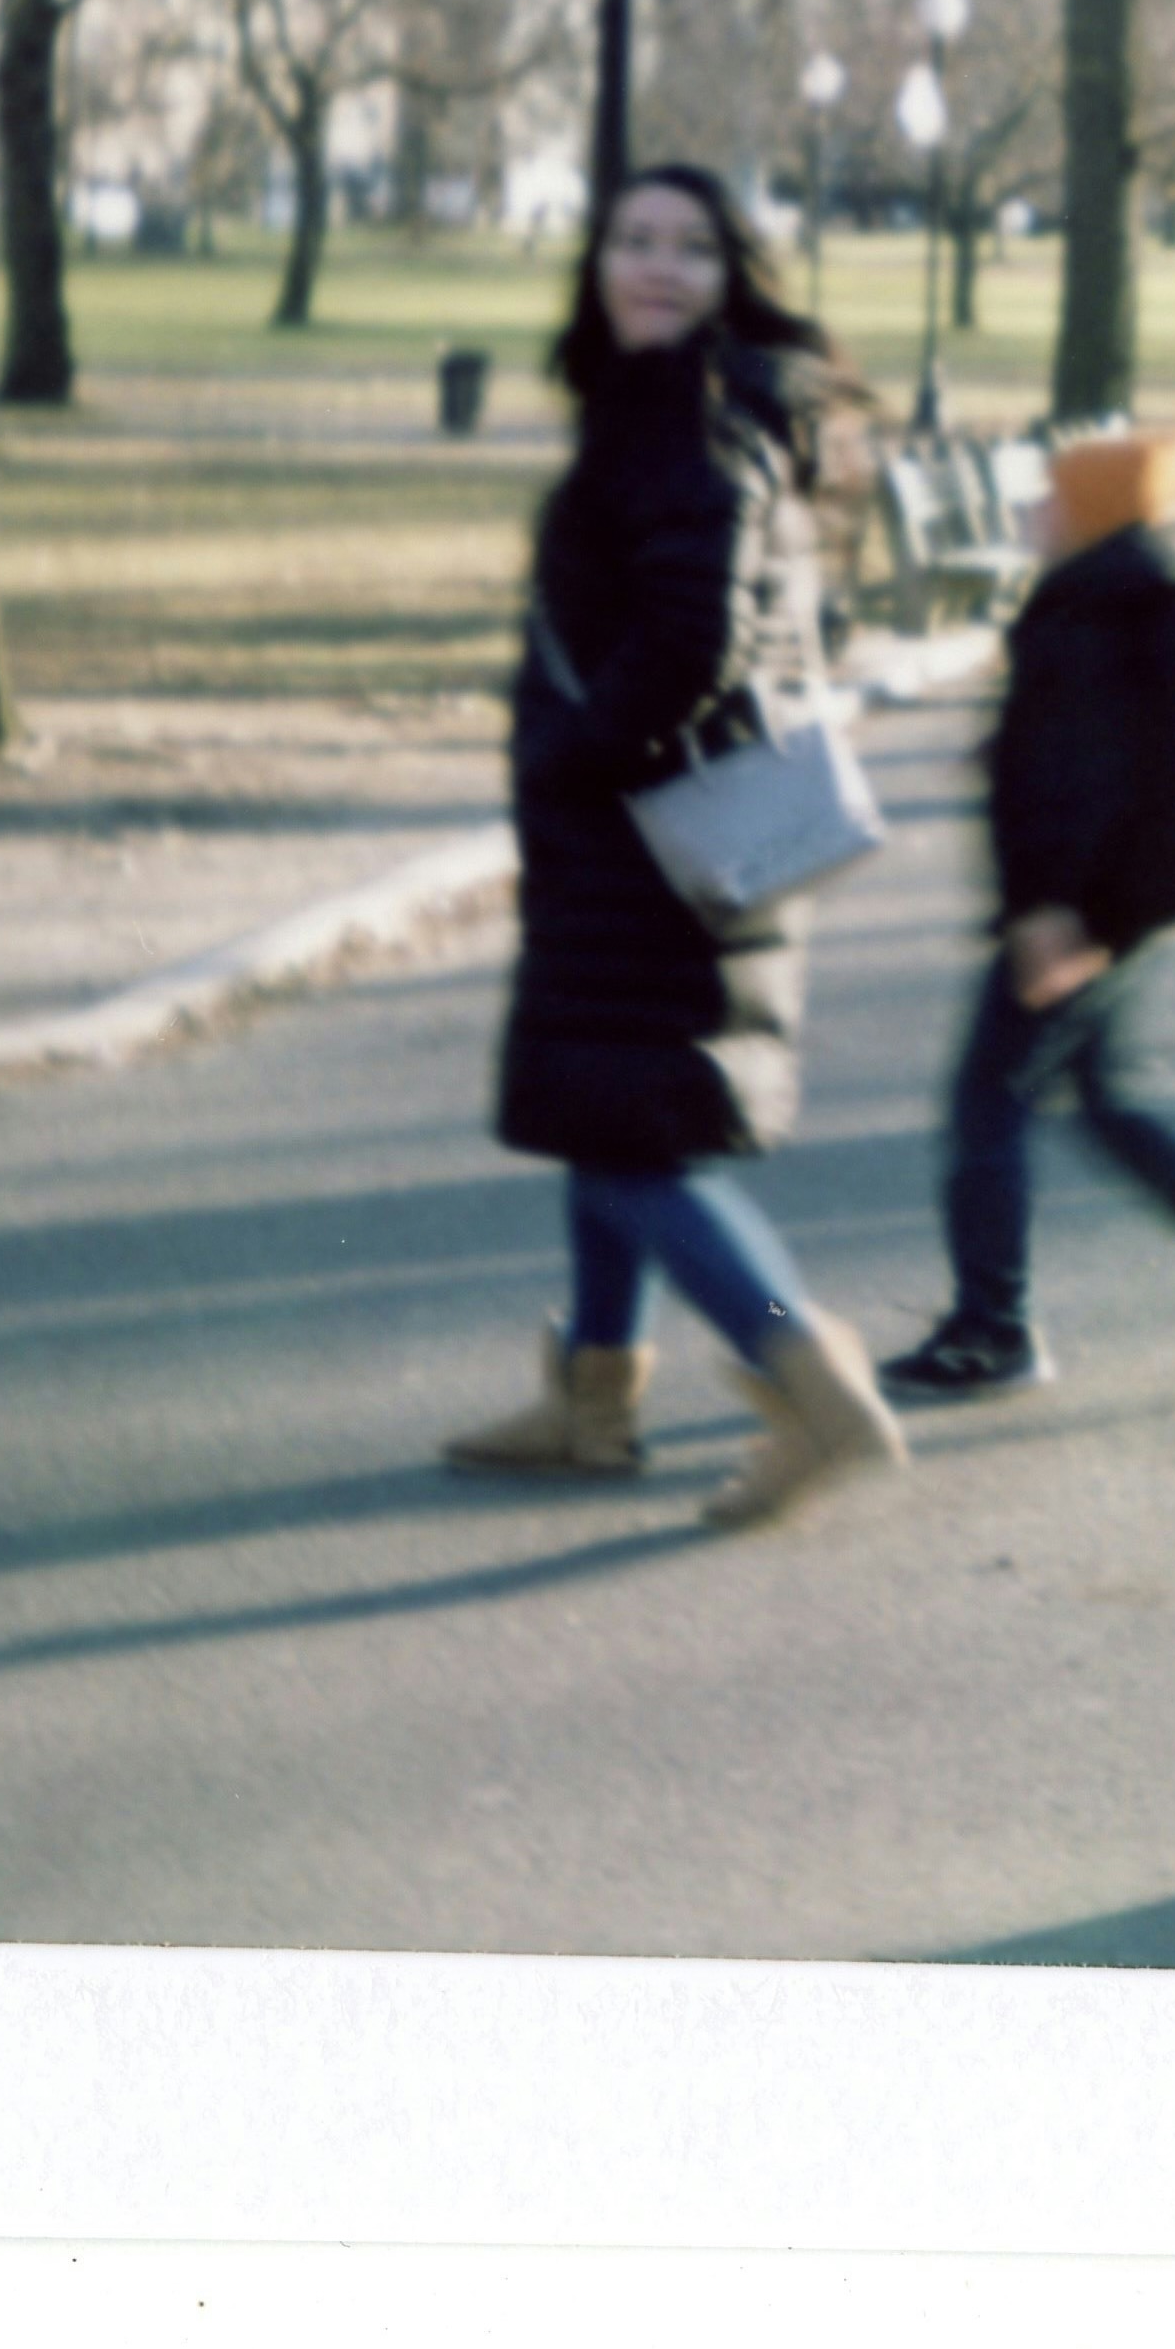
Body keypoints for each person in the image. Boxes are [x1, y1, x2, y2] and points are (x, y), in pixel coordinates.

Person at [444, 162, 910, 1532]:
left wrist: (567, 752)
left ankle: (815, 1388)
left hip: (648, 841)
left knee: (636, 1141)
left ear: (729, 272)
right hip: (666, 837)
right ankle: (596, 1406)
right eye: (632, 240)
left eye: (689, 247)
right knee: (610, 1113)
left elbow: (692, 643)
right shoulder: (707, 408)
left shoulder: (687, 420)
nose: (654, 265)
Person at [882, 421, 1175, 1400]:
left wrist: (1046, 909)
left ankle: (991, 1326)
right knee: (1105, 1094)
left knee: (985, 1106)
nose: (1035, 512)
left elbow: (1074, 779)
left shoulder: (1084, 607)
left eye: (1051, 497)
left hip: (1074, 915)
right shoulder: (1154, 596)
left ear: (1091, 508)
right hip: (1130, 905)